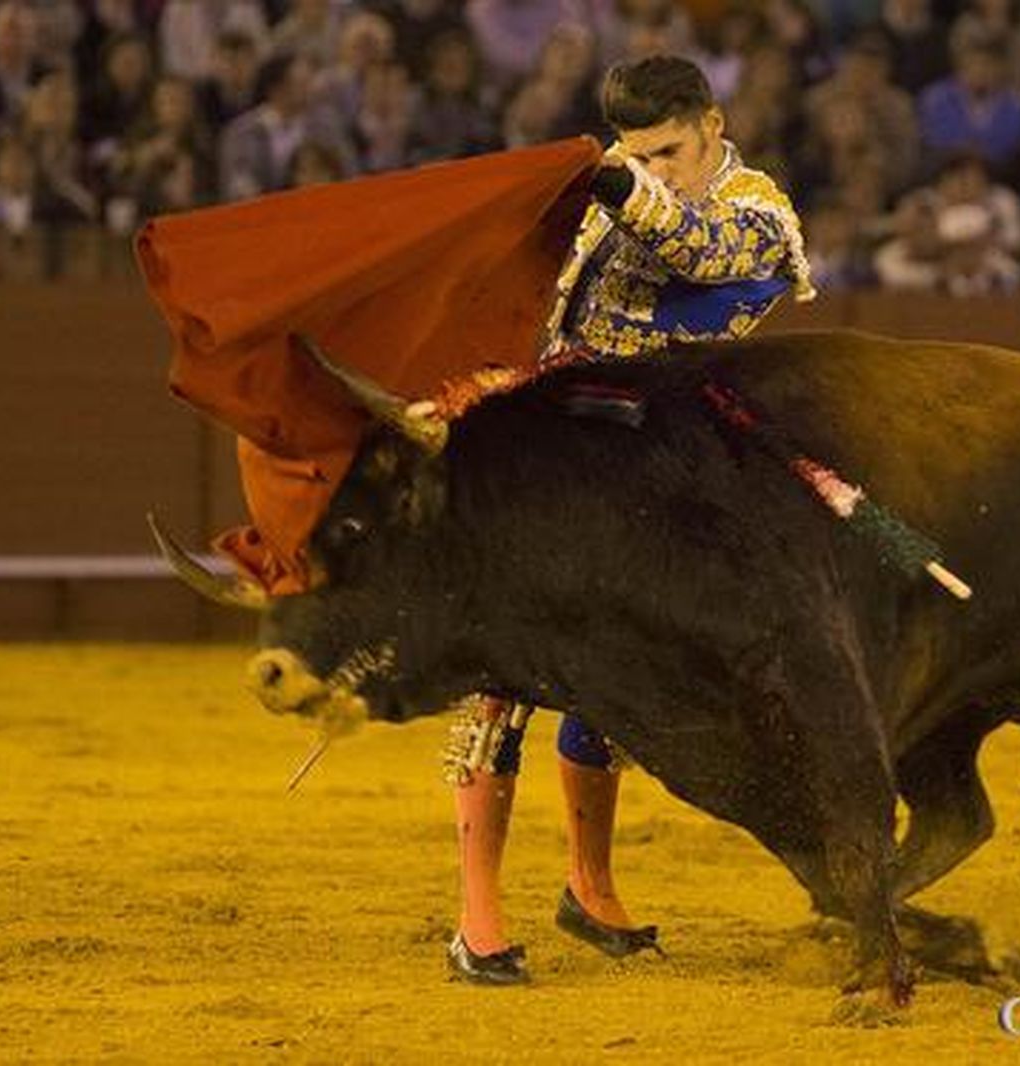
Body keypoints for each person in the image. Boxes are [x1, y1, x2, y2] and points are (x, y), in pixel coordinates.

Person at [446, 54, 813, 986]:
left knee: (613, 683)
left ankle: (589, 882)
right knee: (501, 683)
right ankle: (477, 918)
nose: (658, 171)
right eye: (638, 155)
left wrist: (616, 182)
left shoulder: (761, 213)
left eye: (672, 153)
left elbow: (702, 250)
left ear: (715, 127)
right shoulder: (603, 184)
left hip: (656, 469)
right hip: (549, 452)